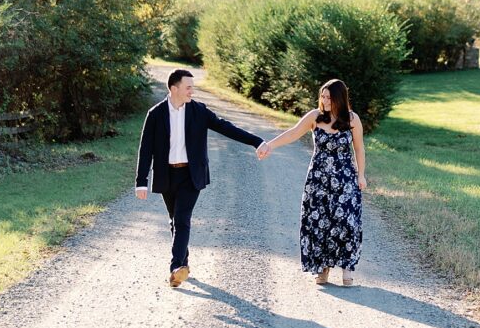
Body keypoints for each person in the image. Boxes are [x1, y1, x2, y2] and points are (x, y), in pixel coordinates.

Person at [135, 69, 271, 287]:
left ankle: (175, 267)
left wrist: (257, 141)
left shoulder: (199, 111)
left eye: (193, 87)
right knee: (174, 220)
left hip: (191, 175)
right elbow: (146, 149)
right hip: (167, 174)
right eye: (188, 87)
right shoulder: (156, 114)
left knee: (182, 219)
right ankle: (184, 264)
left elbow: (226, 127)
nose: (192, 91)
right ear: (174, 88)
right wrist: (141, 181)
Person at [261, 79, 365, 286]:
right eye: (323, 97)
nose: (325, 101)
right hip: (317, 179)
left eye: (329, 97)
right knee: (318, 222)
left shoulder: (352, 119)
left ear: (339, 99)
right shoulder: (314, 117)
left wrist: (361, 175)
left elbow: (359, 149)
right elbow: (292, 133)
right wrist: (269, 145)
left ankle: (346, 269)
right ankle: (322, 268)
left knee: (346, 221)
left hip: (345, 178)